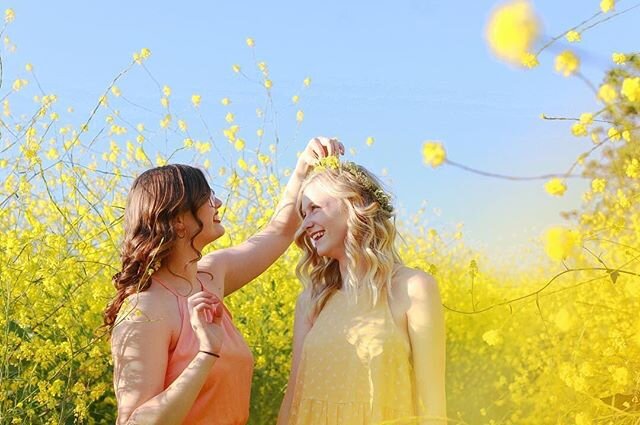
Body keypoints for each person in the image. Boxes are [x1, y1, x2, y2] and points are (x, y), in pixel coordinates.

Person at [104, 137, 344, 425]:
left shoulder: (211, 276)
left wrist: (303, 167)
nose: (217, 202)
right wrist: (205, 354)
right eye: (207, 197)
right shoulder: (145, 310)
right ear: (179, 220)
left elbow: (279, 232)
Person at [278, 158, 447, 425]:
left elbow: (433, 405)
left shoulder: (414, 288)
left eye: (315, 209)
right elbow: (293, 399)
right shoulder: (312, 299)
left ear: (353, 204)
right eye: (303, 214)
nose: (305, 224)